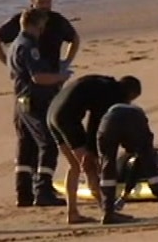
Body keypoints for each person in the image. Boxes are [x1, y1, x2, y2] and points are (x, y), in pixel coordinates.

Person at [47, 74, 142, 223]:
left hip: (52, 114)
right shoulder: (111, 95)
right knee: (90, 167)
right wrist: (91, 152)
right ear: (129, 93)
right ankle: (108, 212)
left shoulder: (104, 83)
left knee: (75, 166)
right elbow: (95, 123)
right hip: (68, 119)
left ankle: (72, 213)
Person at [8, 8, 70, 207]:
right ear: (36, 25)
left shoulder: (14, 45)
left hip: (20, 102)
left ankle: (23, 192)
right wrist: (61, 77)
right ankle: (43, 190)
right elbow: (38, 77)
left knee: (26, 147)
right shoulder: (29, 46)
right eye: (41, 26)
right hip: (35, 101)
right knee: (48, 143)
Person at [96, 103, 158, 225]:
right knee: (148, 162)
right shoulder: (138, 119)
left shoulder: (110, 117)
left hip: (107, 121)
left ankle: (108, 212)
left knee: (107, 164)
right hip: (134, 119)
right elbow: (144, 159)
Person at [0, 0, 80, 74]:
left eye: (48, 2)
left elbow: (75, 39)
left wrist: (67, 62)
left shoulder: (57, 20)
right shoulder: (22, 20)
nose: (45, 6)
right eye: (41, 2)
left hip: (52, 72)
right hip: (28, 75)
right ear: (32, 1)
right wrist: (10, 64)